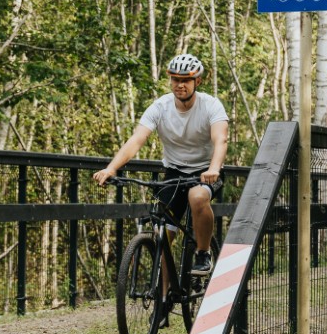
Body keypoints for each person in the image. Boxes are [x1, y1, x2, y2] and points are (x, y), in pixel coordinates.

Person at [93, 54, 229, 275]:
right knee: (163, 237)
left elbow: (220, 139)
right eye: (175, 79)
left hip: (205, 171)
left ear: (197, 81)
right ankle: (164, 294)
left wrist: (214, 168)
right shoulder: (160, 107)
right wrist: (112, 168)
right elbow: (137, 139)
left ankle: (203, 253)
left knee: (197, 197)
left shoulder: (211, 105)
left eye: (185, 80)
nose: (180, 85)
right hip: (174, 172)